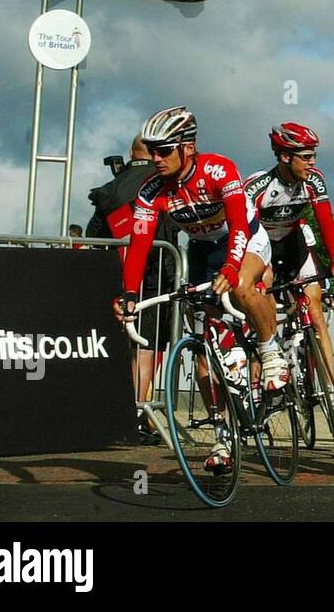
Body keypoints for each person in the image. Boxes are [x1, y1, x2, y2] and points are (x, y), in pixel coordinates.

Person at [111, 106, 280, 472]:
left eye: (164, 150)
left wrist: (233, 266)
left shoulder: (218, 169)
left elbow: (238, 226)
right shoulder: (151, 190)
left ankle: (270, 353)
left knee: (239, 289)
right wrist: (128, 293)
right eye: (152, 150)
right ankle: (223, 437)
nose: (155, 158)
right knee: (205, 351)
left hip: (245, 238)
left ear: (188, 147)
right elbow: (139, 244)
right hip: (203, 251)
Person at [244, 123, 334, 429]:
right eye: (305, 156)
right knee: (259, 312)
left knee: (316, 315)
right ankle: (261, 389)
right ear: (284, 156)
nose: (312, 162)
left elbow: (326, 222)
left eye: (314, 155)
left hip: (294, 245)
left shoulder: (313, 181)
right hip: (262, 245)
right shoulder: (257, 187)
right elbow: (244, 233)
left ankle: (332, 396)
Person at [88, 134, 180, 436]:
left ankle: (123, 411)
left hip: (120, 277)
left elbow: (95, 233)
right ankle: (136, 414)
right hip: (158, 276)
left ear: (131, 152)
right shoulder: (162, 182)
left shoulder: (111, 188)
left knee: (127, 345)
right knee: (149, 345)